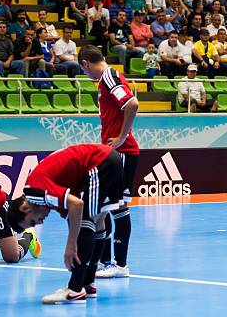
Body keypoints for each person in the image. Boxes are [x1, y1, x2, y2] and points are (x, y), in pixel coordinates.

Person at [7, 144, 124, 304]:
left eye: (33, 221)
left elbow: (76, 205)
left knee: (86, 220)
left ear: (25, 207)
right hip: (110, 160)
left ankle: (75, 290)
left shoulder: (34, 192)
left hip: (100, 161)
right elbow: (73, 213)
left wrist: (71, 246)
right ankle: (87, 284)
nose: (40, 222)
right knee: (97, 221)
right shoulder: (44, 194)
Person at [78, 46, 140, 279]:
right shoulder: (107, 78)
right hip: (114, 152)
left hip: (122, 151)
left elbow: (132, 104)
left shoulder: (108, 76)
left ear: (85, 64)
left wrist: (122, 137)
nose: (87, 76)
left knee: (117, 207)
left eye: (84, 71)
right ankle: (106, 262)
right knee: (106, 207)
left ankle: (120, 265)